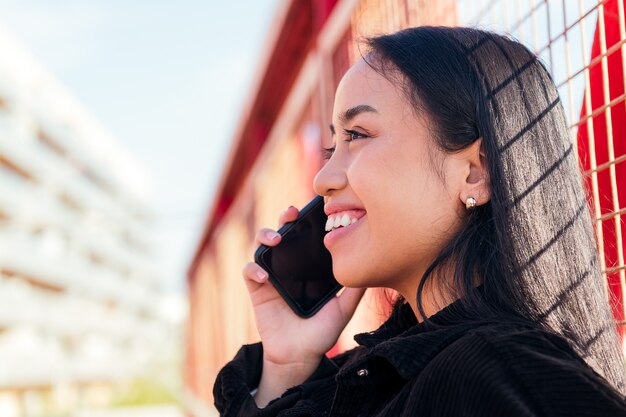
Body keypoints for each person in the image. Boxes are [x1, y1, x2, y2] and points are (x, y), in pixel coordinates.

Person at [213, 26, 626, 416]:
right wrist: (288, 365)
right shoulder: (397, 370)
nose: (323, 180)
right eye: (331, 147)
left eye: (357, 135)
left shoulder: (493, 374)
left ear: (476, 172)